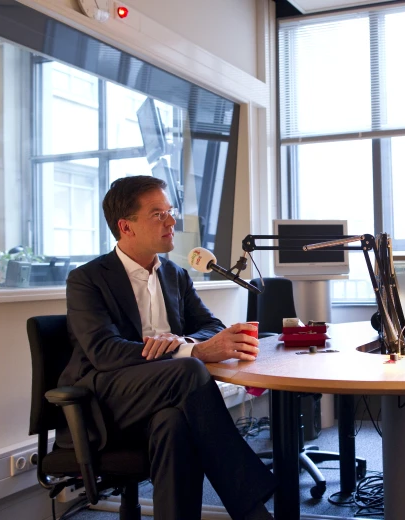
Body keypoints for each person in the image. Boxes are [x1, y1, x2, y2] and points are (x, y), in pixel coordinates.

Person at [59, 175, 276, 519]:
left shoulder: (174, 275)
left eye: (170, 211)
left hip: (167, 394)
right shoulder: (87, 279)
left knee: (172, 424)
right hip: (108, 397)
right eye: (158, 214)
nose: (172, 221)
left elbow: (211, 327)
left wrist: (184, 342)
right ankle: (251, 509)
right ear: (125, 227)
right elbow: (104, 352)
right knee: (189, 368)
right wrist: (193, 352)